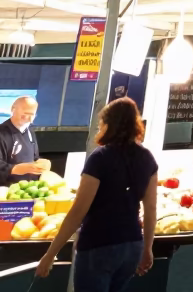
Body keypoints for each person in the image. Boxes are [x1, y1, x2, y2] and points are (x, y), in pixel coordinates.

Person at [35, 98, 157, 292]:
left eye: (102, 122)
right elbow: (150, 209)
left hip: (98, 245)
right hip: (132, 244)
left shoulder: (100, 158)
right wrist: (147, 248)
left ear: (109, 125)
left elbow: (78, 211)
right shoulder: (147, 158)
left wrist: (50, 254)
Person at [0, 96, 50, 184]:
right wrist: (15, 169)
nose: (30, 119)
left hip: (29, 186)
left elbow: (34, 157)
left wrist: (41, 162)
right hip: (7, 188)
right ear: (13, 109)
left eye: (32, 115)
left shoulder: (29, 130)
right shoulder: (2, 133)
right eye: (26, 114)